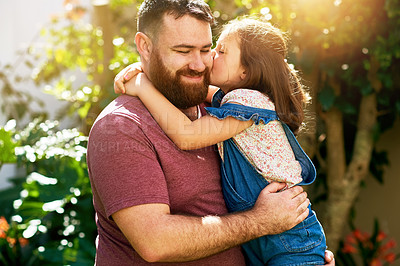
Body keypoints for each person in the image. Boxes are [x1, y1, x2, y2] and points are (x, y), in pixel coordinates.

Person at [88, 0, 334, 265]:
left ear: (246, 71)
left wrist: (142, 84)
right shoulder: (122, 127)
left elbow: (189, 131)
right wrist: (259, 221)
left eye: (208, 50)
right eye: (183, 51)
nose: (200, 64)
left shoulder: (229, 104)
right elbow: (155, 243)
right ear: (145, 46)